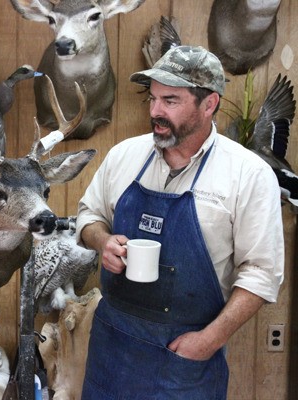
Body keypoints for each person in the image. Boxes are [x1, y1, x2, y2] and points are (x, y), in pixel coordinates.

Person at [76, 45, 284, 399]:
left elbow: (262, 273)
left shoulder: (248, 175)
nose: (155, 111)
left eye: (170, 101)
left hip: (184, 358)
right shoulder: (125, 156)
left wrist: (208, 341)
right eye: (153, 98)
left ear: (209, 104)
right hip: (113, 347)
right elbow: (89, 216)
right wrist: (102, 241)